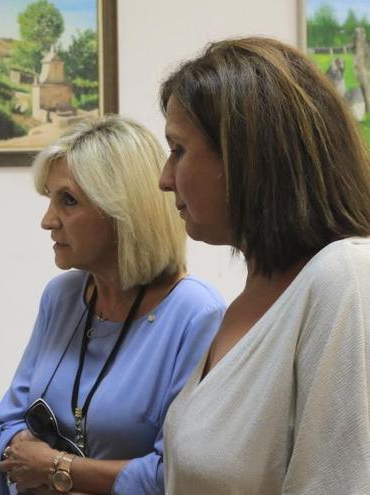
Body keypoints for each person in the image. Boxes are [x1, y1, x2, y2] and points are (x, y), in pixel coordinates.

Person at [158, 37, 370, 494]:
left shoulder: (345, 277)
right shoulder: (249, 300)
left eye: (178, 150)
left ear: (247, 158)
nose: (164, 178)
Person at [0, 115, 225, 495]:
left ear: (125, 213)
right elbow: (8, 421)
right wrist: (29, 455)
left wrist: (56, 467)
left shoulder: (196, 314)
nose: (47, 221)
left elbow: (174, 474)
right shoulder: (62, 297)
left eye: (68, 201)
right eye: (50, 200)